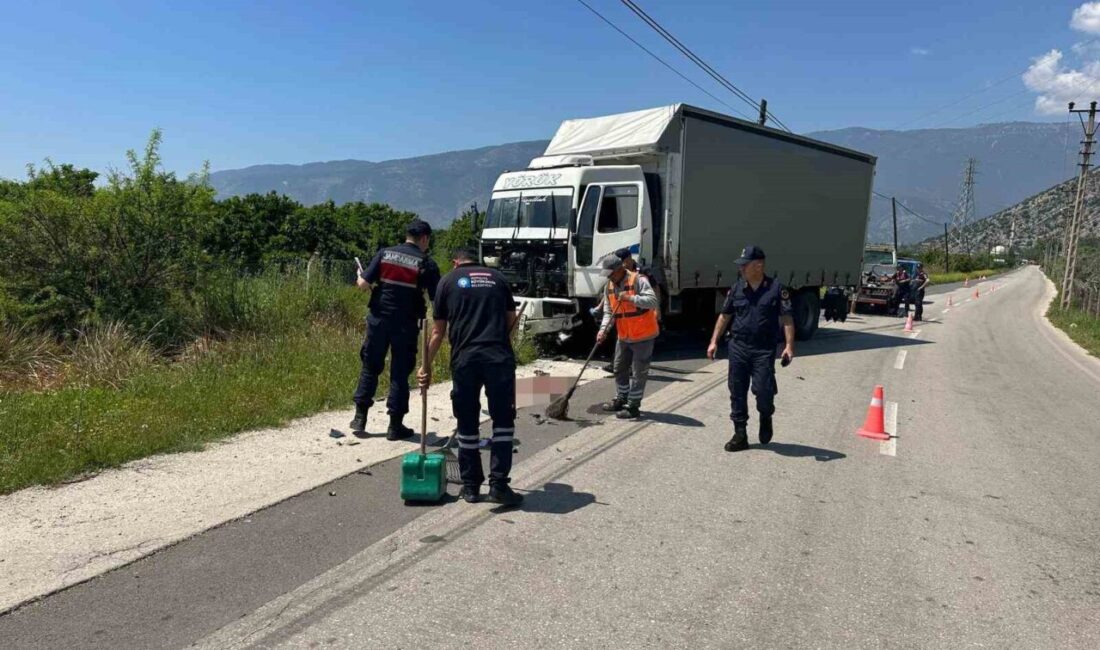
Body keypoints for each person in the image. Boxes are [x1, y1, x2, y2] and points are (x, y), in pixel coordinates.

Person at [419, 247, 523, 506]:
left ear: (455, 262)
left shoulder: (447, 282)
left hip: (465, 360)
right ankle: (499, 485)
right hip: (498, 358)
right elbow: (513, 321)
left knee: (467, 421)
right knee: (502, 421)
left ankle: (470, 487)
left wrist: (426, 366)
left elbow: (437, 332)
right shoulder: (498, 279)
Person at [350, 219, 441, 440]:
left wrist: (361, 277)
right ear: (425, 238)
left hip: (378, 319)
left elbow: (362, 285)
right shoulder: (426, 262)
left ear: (407, 235)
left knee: (370, 366)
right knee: (400, 373)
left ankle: (360, 417)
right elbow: (436, 297)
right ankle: (395, 426)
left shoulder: (384, 253)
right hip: (406, 324)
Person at [706, 245, 795, 452]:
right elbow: (725, 315)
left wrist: (789, 346)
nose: (741, 269)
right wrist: (714, 341)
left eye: (745, 265)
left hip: (763, 348)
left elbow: (787, 318)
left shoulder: (776, 289)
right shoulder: (737, 288)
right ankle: (740, 434)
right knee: (737, 390)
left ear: (758, 265)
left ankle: (766, 415)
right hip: (738, 346)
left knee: (763, 391)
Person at [598, 253, 660, 420]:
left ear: (620, 269)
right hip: (624, 335)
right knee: (619, 368)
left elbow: (652, 301)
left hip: (643, 335)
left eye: (611, 273)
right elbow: (609, 311)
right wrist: (603, 330)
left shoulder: (639, 280)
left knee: (639, 372)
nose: (609, 277)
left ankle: (633, 406)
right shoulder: (609, 286)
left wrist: (630, 298)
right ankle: (621, 398)